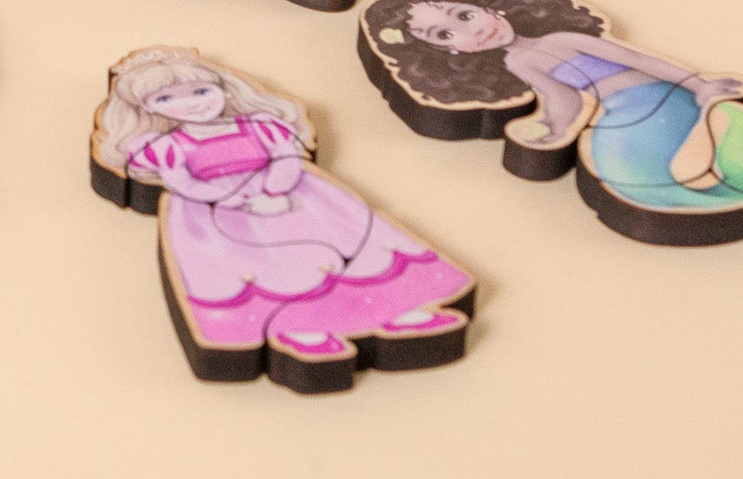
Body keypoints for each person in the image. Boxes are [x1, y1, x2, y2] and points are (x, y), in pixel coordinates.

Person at [363, 0, 743, 221]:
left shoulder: (558, 40)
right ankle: (712, 198)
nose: (465, 28)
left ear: (489, 11)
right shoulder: (520, 65)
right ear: (449, 51)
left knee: (727, 137)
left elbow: (641, 62)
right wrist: (553, 133)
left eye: (462, 14)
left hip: (659, 101)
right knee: (643, 179)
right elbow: (562, 101)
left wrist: (698, 84)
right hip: (619, 127)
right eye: (443, 34)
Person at [92, 47, 471, 377]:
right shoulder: (167, 146)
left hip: (294, 196)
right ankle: (301, 331)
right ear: (146, 109)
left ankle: (397, 312)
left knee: (351, 249)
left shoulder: (263, 126)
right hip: (221, 215)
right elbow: (185, 184)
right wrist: (233, 200)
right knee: (276, 272)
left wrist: (275, 190)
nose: (191, 103)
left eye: (202, 91)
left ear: (224, 90)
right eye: (167, 100)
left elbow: (287, 158)